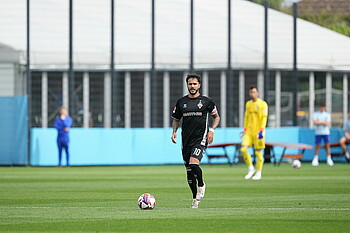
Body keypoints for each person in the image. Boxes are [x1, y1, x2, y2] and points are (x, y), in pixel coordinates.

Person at [171, 74, 220, 208]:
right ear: (187, 85)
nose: (192, 86)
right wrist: (174, 132)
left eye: (194, 84)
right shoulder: (181, 102)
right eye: (190, 84)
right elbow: (176, 119)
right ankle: (195, 200)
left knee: (194, 164)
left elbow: (216, 117)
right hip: (186, 140)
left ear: (199, 85)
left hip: (200, 139)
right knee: (189, 172)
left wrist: (212, 131)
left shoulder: (206, 101)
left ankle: (202, 184)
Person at [240, 87, 268, 180]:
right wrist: (244, 130)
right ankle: (251, 168)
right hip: (249, 132)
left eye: (254, 92)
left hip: (258, 132)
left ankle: (259, 172)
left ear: (258, 93)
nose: (252, 94)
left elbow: (264, 118)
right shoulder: (248, 104)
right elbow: (246, 117)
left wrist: (261, 130)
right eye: (251, 92)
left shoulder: (262, 104)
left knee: (258, 152)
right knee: (243, 149)